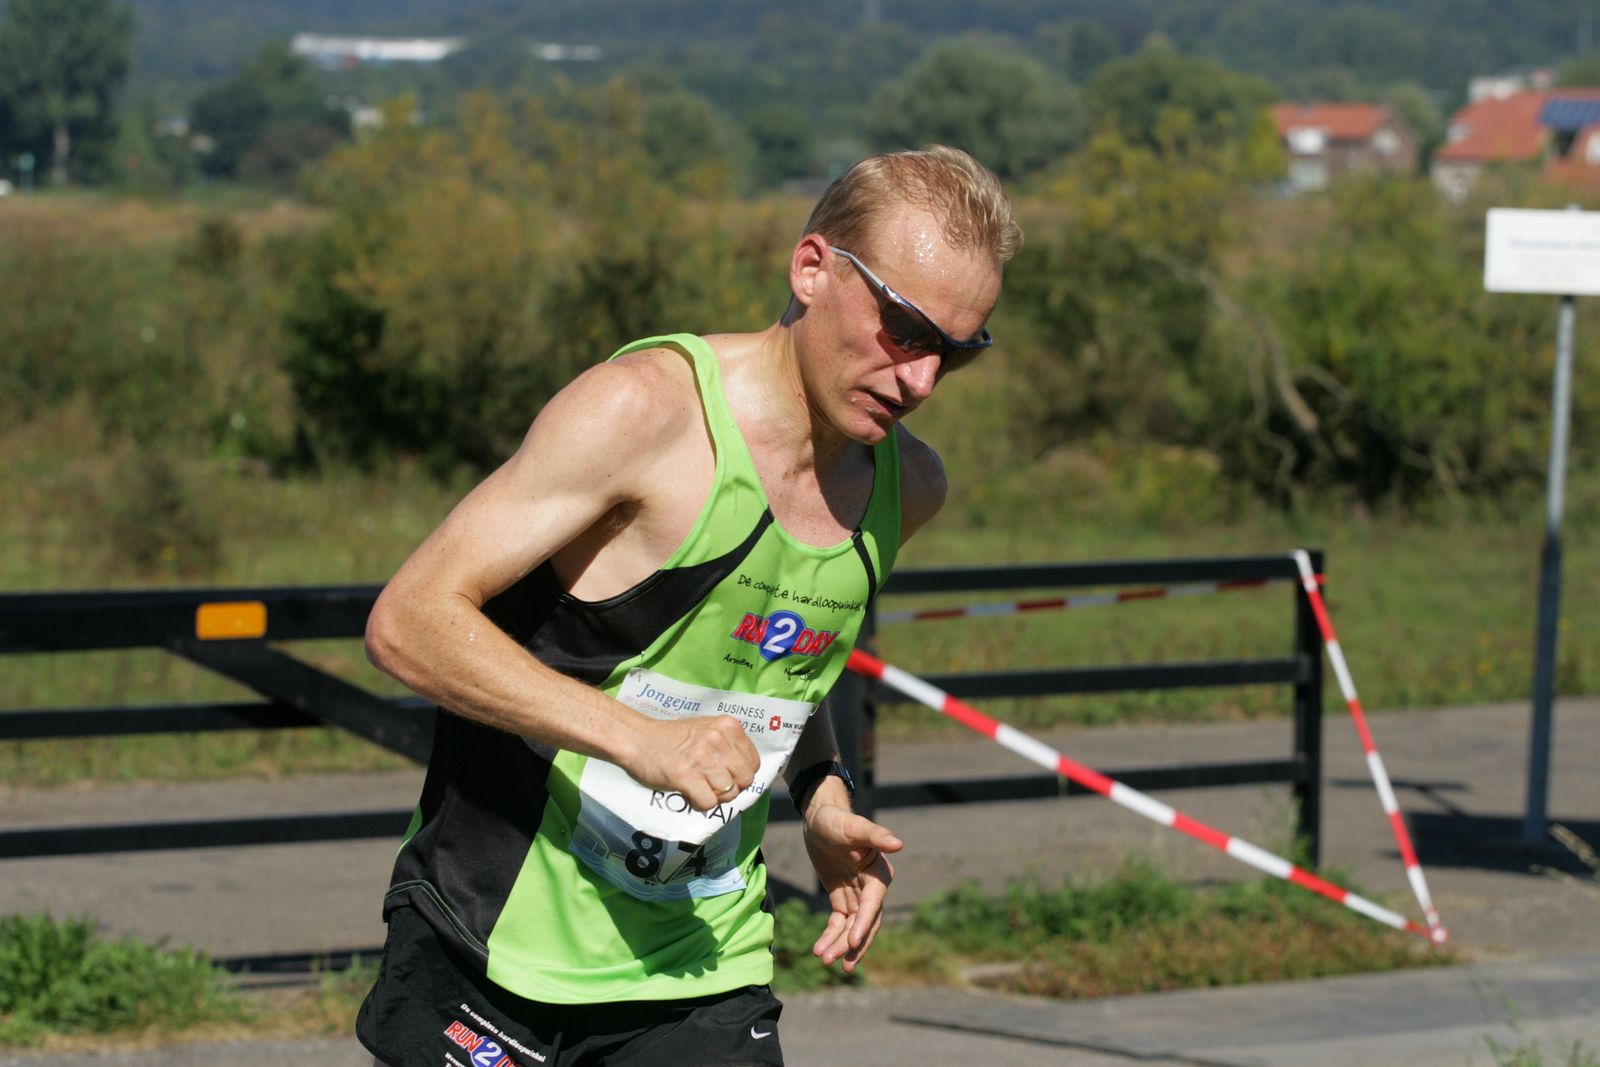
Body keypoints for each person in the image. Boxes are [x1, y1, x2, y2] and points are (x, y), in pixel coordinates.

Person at [355, 144, 1022, 1067]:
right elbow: (410, 619)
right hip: (496, 943)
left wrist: (822, 794)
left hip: (700, 967)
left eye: (956, 352)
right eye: (904, 329)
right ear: (813, 267)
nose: (920, 382)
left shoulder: (906, 486)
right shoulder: (647, 414)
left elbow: (777, 662)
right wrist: (638, 738)